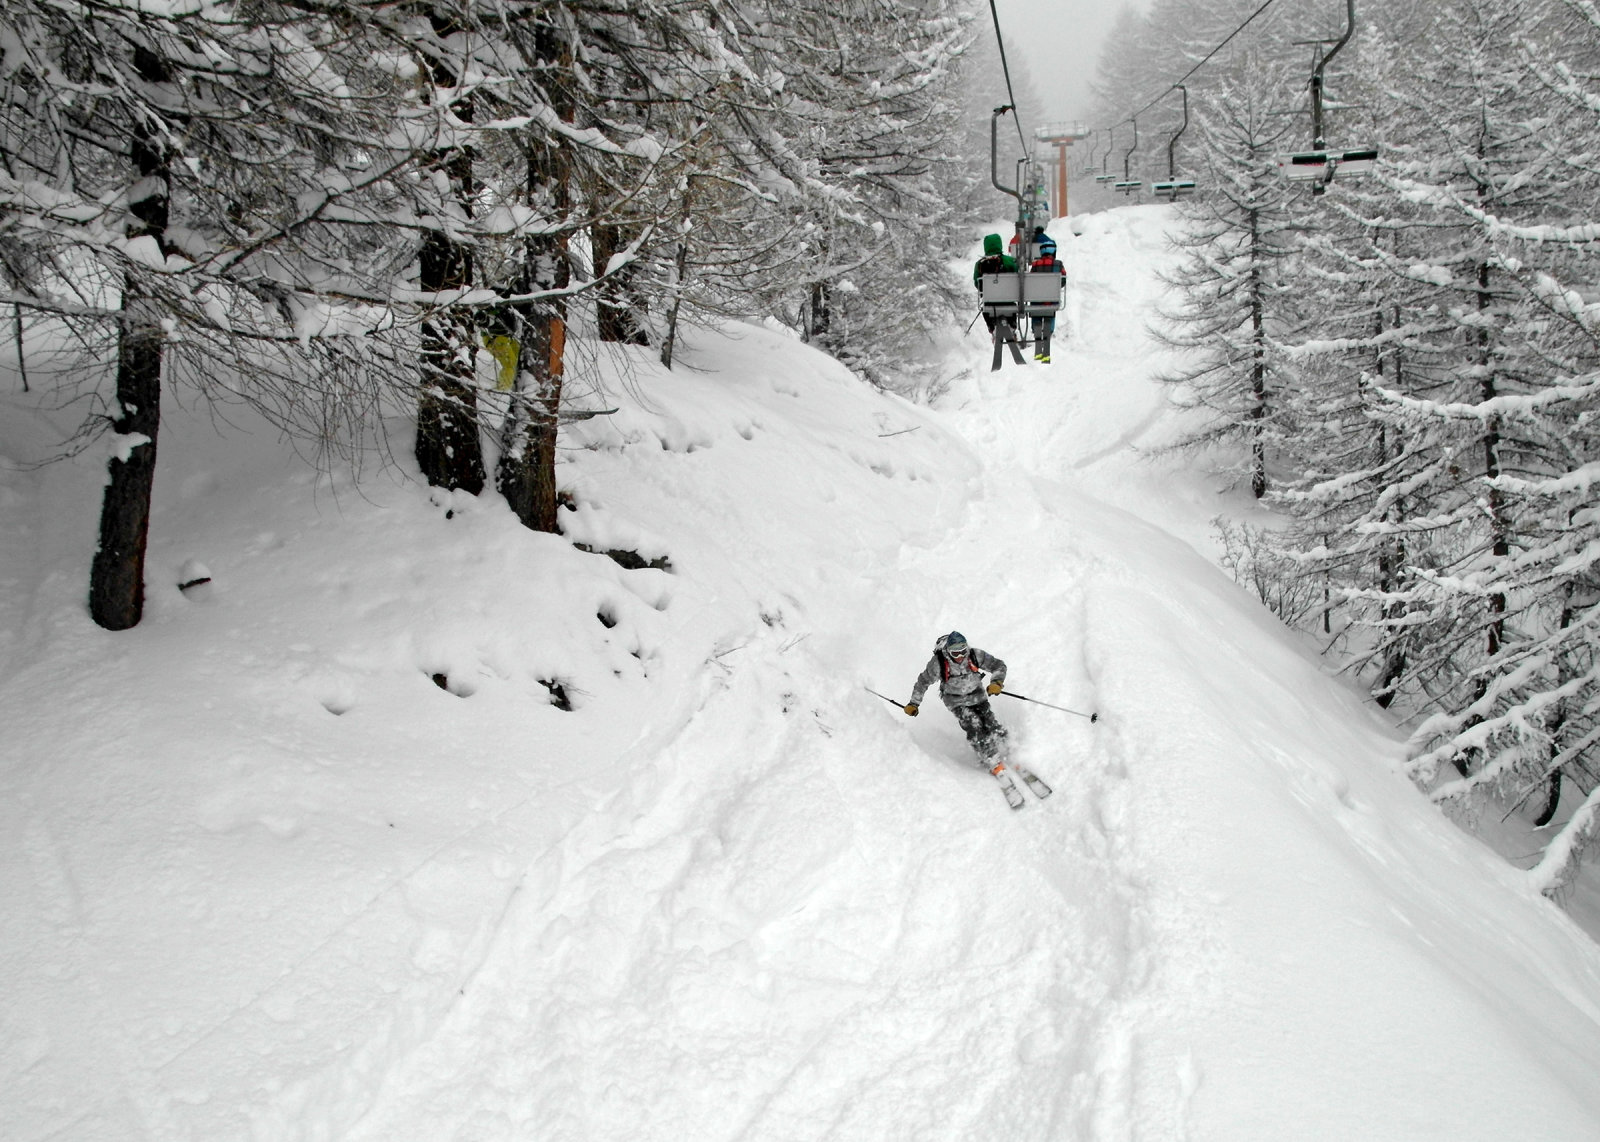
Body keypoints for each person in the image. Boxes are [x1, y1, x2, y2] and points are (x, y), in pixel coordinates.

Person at [903, 630, 1011, 766]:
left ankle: (1007, 746)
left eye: (963, 651)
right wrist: (914, 703)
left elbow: (998, 665)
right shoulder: (938, 663)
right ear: (948, 651)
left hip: (977, 695)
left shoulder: (974, 655)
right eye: (955, 653)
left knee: (989, 721)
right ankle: (989, 757)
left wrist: (996, 682)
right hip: (956, 701)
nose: (960, 656)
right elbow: (923, 681)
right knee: (973, 724)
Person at [1028, 227, 1065, 363]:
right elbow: (1063, 280)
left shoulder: (1036, 264)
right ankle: (1047, 335)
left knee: (1037, 315)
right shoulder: (1058, 264)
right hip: (1051, 300)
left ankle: (1037, 336)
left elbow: (1030, 280)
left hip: (1037, 301)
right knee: (1049, 315)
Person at [972, 234, 1016, 333]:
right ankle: (1012, 324)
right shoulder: (1010, 261)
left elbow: (977, 283)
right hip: (1009, 301)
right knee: (1011, 305)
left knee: (986, 310)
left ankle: (991, 326)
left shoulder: (979, 264)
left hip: (990, 303)